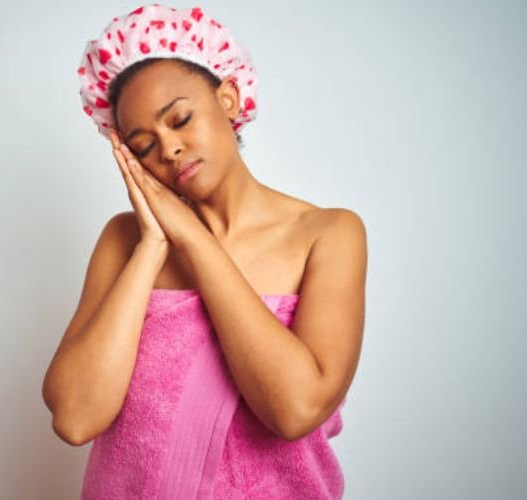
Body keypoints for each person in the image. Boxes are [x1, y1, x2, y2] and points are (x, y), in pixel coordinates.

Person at [42, 4, 367, 499]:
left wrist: (193, 239)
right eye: (144, 146)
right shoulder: (124, 241)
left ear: (229, 99)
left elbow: (295, 410)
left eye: (180, 119)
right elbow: (75, 417)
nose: (168, 149)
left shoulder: (327, 234)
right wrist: (154, 245)